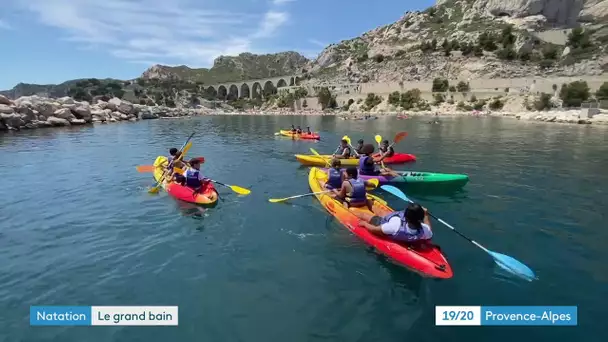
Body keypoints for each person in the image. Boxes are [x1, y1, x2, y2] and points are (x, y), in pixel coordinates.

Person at [353, 203, 433, 243]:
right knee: (382, 213)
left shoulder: (394, 225)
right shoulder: (424, 230)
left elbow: (374, 229)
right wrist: (426, 215)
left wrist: (364, 224)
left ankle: (351, 206)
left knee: (365, 215)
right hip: (392, 222)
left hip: (384, 223)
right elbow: (428, 229)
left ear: (406, 216)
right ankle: (369, 203)